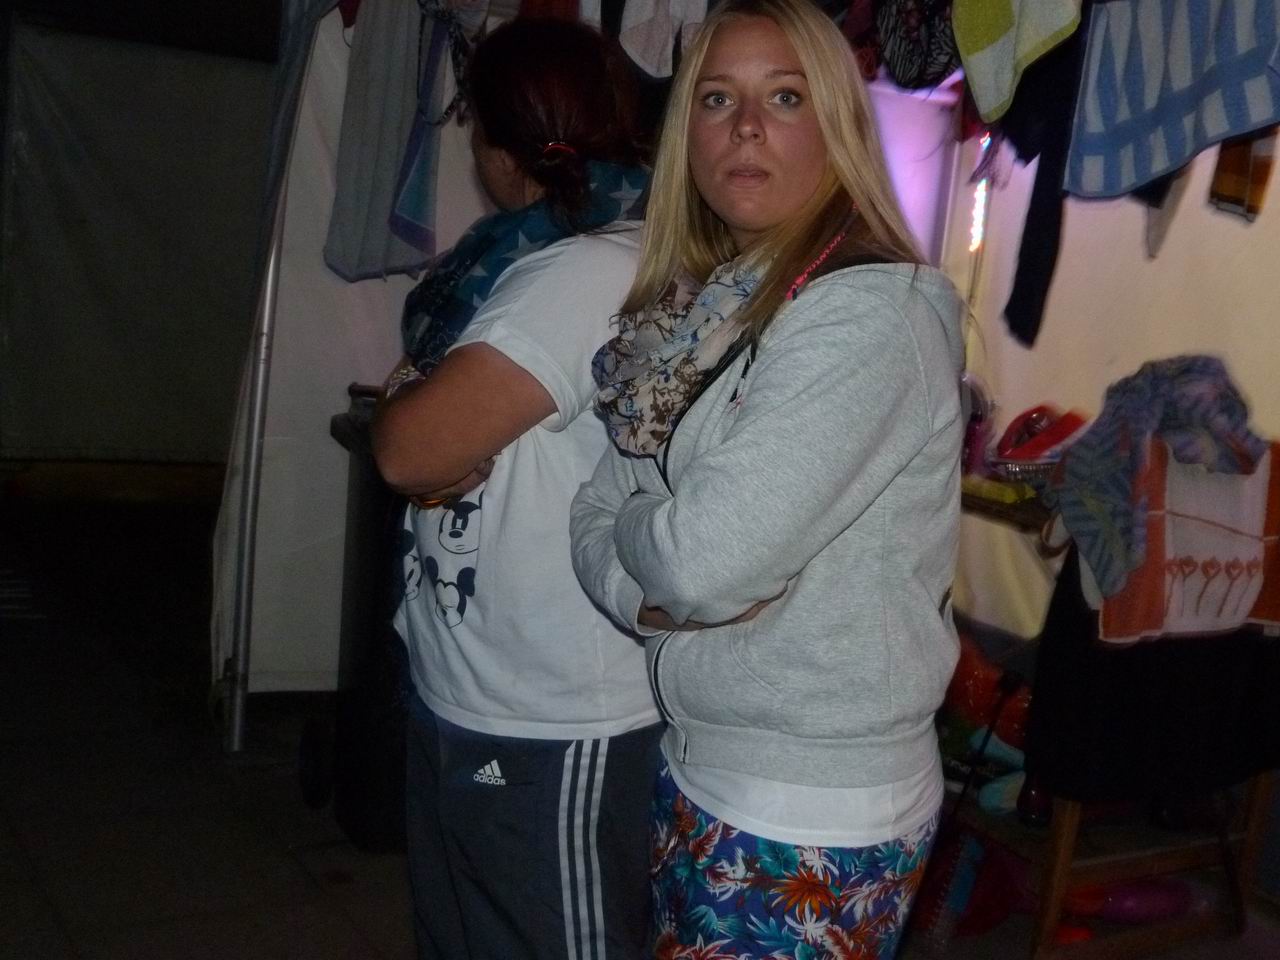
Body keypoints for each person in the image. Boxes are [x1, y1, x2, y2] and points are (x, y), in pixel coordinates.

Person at [568, 0, 965, 956]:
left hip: (808, 805)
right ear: (686, 134)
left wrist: (657, 547)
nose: (745, 126)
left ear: (837, 124)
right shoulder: (700, 315)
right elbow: (592, 510)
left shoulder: (870, 315)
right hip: (703, 764)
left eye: (785, 97)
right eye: (717, 98)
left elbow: (701, 561)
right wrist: (645, 593)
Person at [371, 19, 661, 960]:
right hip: (483, 687)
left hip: (553, 713)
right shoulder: (531, 263)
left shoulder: (585, 270)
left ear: (499, 148)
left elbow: (408, 450)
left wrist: (413, 407)